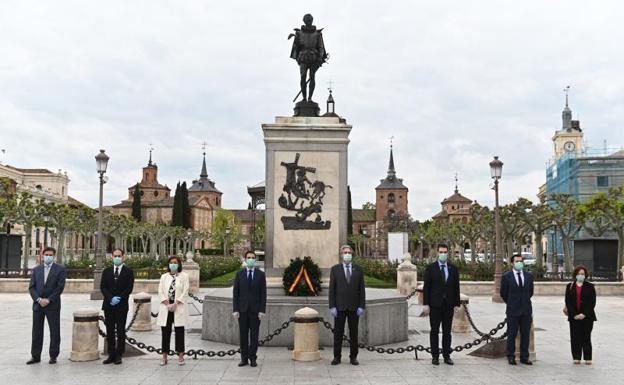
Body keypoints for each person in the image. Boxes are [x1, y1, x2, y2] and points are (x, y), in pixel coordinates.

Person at [422, 244, 461, 366]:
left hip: (448, 305)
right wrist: (426, 304)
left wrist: (456, 303)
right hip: (435, 305)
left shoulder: (453, 268)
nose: (443, 254)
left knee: (447, 332)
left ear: (448, 253)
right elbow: (427, 287)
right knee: (434, 331)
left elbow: (456, 287)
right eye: (441, 252)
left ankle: (446, 355)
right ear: (437, 253)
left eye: (445, 252)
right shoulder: (431, 268)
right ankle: (435, 356)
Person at [27, 246, 66, 365]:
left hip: (52, 305)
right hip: (38, 305)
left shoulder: (60, 269)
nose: (48, 257)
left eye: (50, 255)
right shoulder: (36, 270)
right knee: (36, 331)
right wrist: (38, 299)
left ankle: (53, 355)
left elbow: (60, 287)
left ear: (53, 256)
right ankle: (35, 356)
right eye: (46, 254)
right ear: (43, 255)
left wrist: (49, 300)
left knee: (54, 331)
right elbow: (32, 287)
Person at [328, 245, 366, 366]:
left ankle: (353, 357)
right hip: (339, 307)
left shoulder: (358, 269)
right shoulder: (335, 269)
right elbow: (331, 290)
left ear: (352, 254)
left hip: (354, 308)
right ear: (341, 254)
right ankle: (337, 357)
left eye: (349, 252)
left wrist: (361, 306)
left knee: (353, 333)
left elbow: (362, 290)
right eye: (345, 252)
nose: (347, 254)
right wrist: (332, 306)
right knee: (338, 333)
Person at [100, 248, 135, 365]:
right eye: (115, 256)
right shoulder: (106, 271)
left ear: (123, 257)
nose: (117, 258)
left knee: (120, 330)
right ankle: (111, 354)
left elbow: (129, 288)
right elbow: (103, 287)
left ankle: (119, 354)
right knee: (109, 331)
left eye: (119, 256)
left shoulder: (129, 272)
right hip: (108, 305)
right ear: (112, 257)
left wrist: (119, 298)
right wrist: (110, 298)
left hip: (121, 305)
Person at [233, 250, 267, 367]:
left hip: (255, 311)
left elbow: (263, 294)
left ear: (255, 259)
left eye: (253, 257)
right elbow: (235, 293)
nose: (251, 259)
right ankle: (244, 358)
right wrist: (235, 309)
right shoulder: (239, 274)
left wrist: (262, 310)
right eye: (249, 257)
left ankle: (253, 358)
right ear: (245, 259)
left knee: (254, 335)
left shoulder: (260, 274)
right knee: (243, 335)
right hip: (242, 310)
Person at [500, 253, 534, 365]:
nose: (519, 263)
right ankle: (511, 356)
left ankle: (525, 356)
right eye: (517, 261)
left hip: (526, 310)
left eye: (521, 261)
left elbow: (530, 292)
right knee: (512, 334)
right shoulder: (506, 276)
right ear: (512, 263)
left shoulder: (528, 276)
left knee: (525, 334)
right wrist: (511, 302)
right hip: (513, 310)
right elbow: (503, 293)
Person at [157, 255, 189, 366]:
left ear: (179, 264)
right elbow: (160, 291)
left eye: (175, 263)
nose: (173, 264)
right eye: (171, 262)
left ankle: (180, 356)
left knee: (179, 332)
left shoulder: (184, 276)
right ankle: (164, 357)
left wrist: (176, 303)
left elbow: (185, 291)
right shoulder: (164, 276)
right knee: (165, 332)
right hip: (166, 308)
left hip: (178, 308)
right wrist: (167, 303)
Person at [563, 265, 596, 365]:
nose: (581, 276)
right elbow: (568, 301)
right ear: (575, 275)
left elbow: (592, 302)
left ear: (585, 275)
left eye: (582, 274)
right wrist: (574, 315)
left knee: (586, 336)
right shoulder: (570, 286)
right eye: (579, 274)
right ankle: (576, 357)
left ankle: (588, 357)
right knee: (575, 337)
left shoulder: (590, 286)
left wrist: (584, 314)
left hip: (587, 316)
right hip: (574, 317)